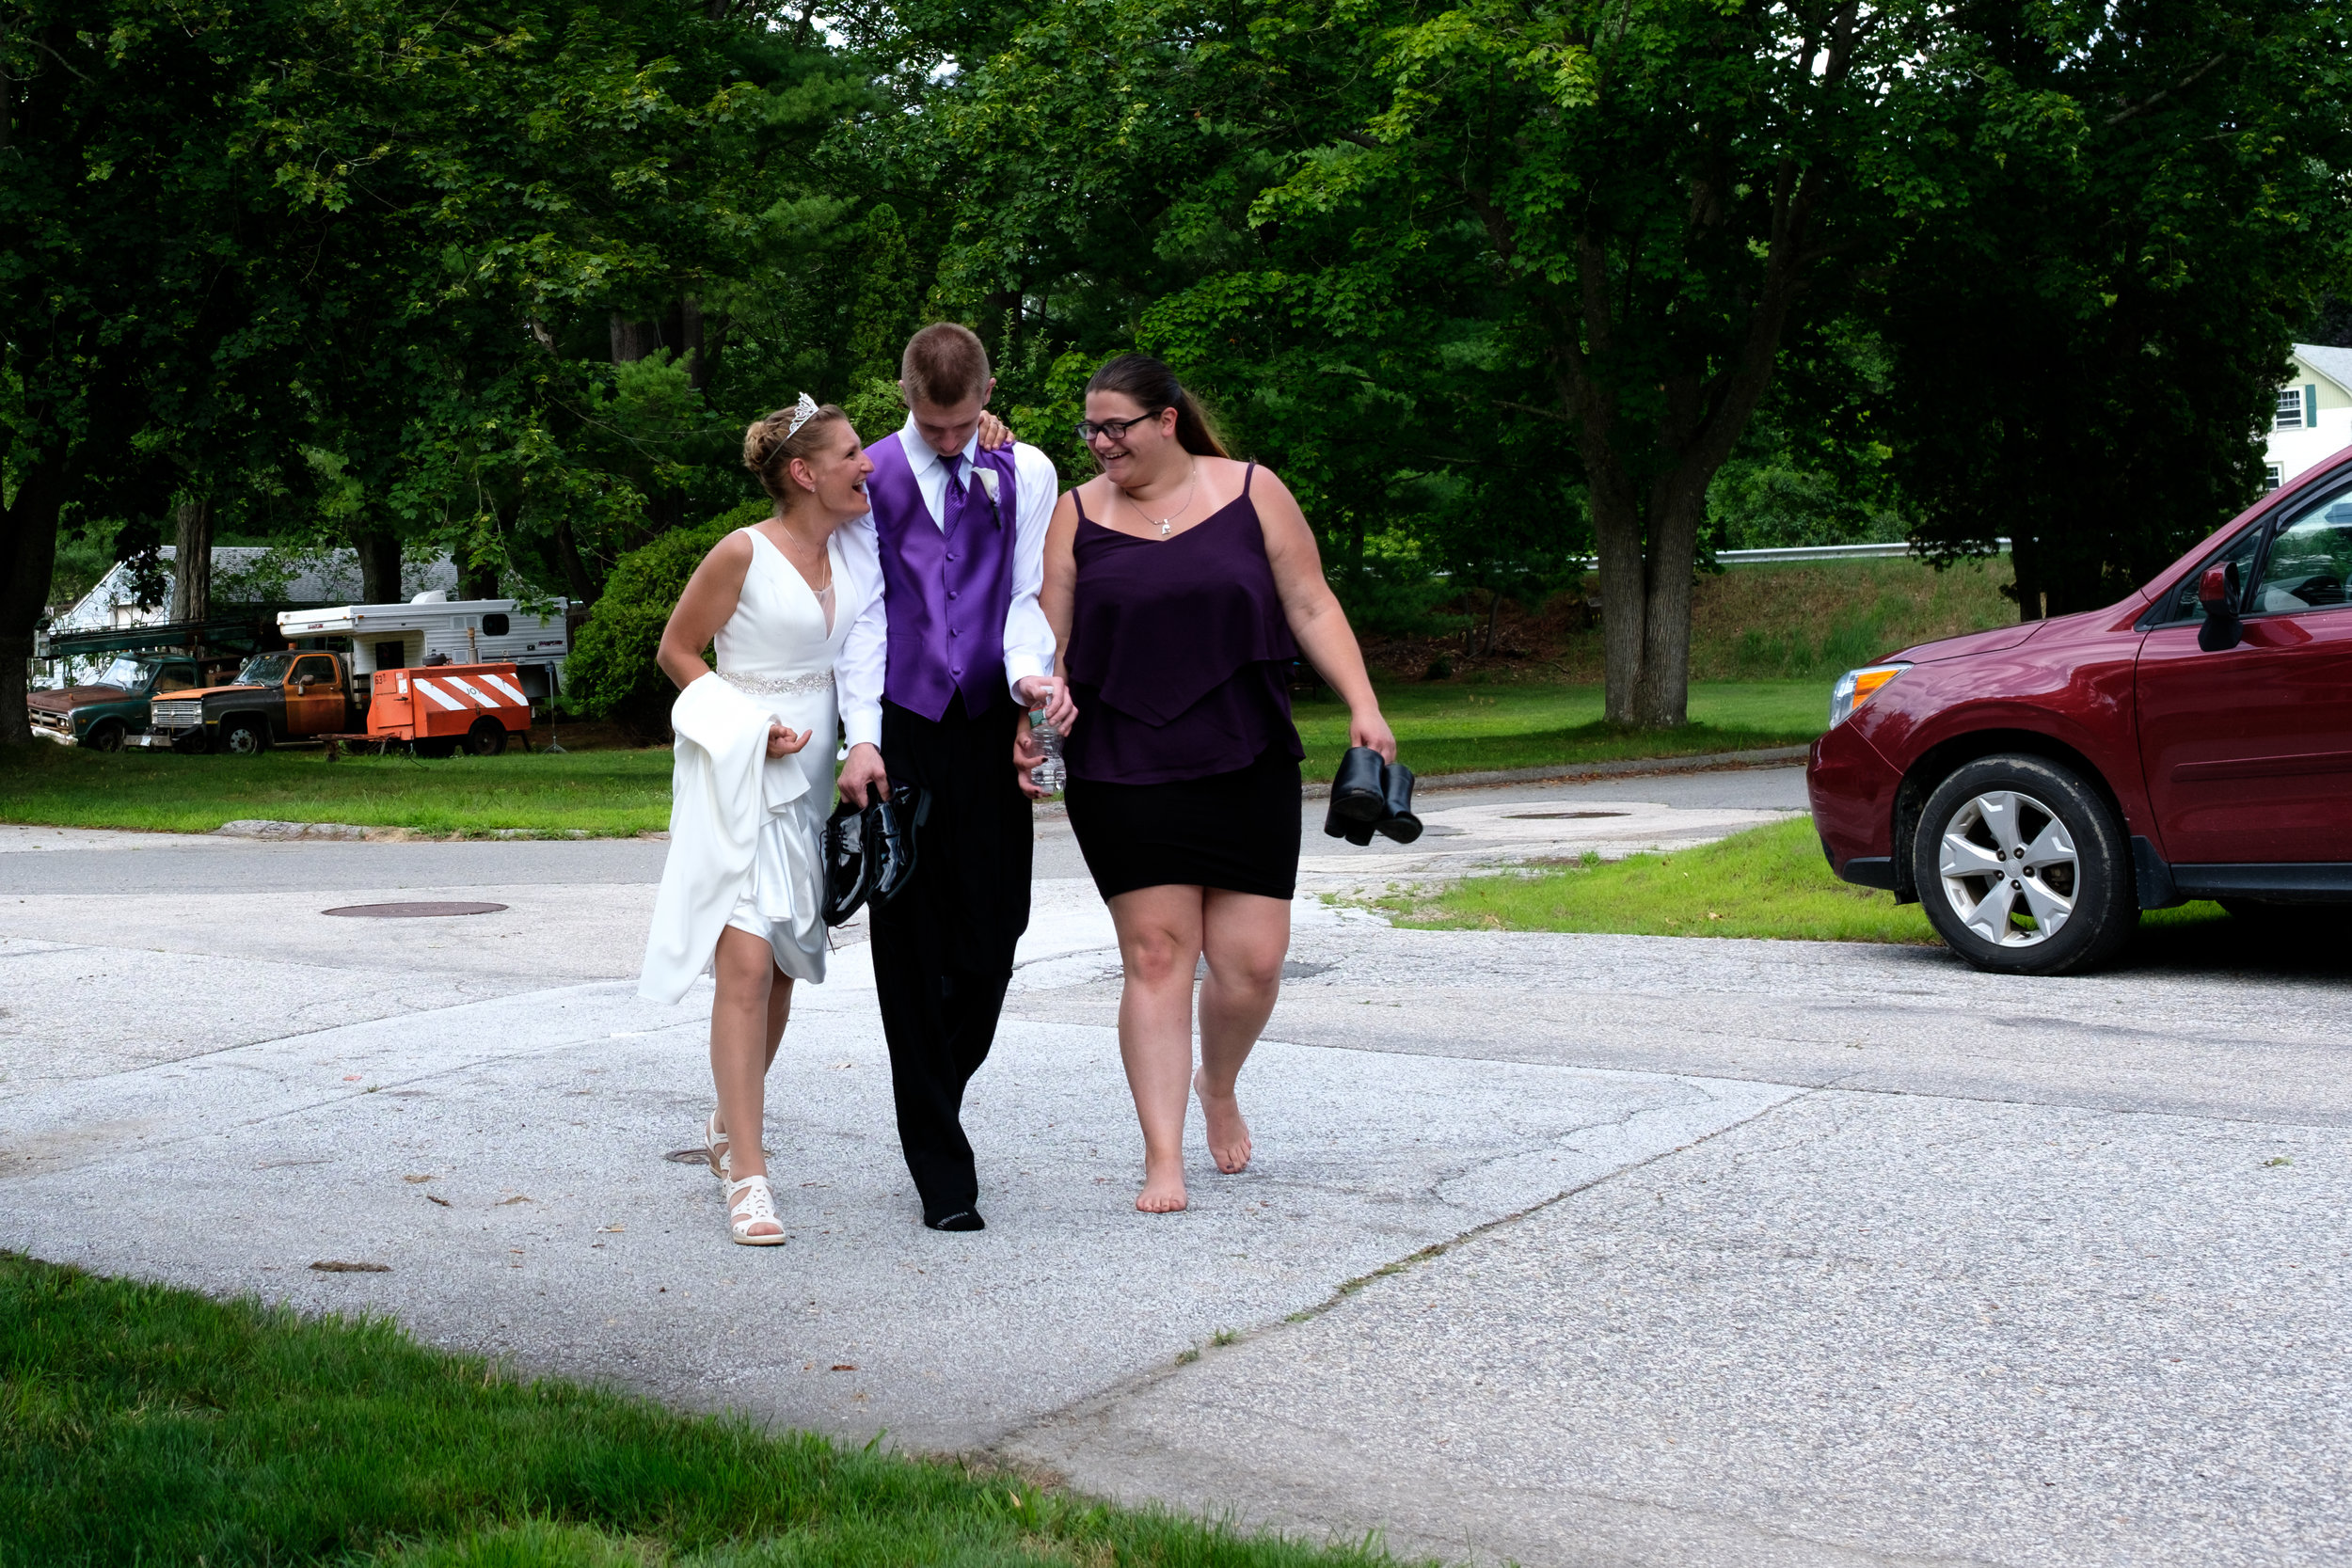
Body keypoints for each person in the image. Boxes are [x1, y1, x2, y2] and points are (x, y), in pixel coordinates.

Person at [1027, 353, 1394, 1213]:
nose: (1099, 442)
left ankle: (1217, 1080)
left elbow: (1310, 602)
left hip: (1246, 750)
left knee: (1253, 965)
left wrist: (1364, 705)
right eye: (1090, 427)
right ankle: (1164, 1158)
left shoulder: (1253, 490)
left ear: (1166, 419)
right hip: (1122, 762)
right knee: (1157, 955)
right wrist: (1038, 716)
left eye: (1115, 425)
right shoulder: (1075, 514)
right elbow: (1049, 639)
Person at [835, 324, 1071, 1232]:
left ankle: (933, 1081)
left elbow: (1019, 596)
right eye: (931, 426)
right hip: (899, 729)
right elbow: (863, 619)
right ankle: (942, 1170)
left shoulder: (1030, 470)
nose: (946, 441)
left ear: (989, 393)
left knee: (995, 931)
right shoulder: (871, 476)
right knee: (909, 946)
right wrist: (862, 740)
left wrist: (1028, 679)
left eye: (962, 424)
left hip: (984, 725)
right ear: (903, 394)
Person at [638, 396, 880, 1245]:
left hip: (812, 788)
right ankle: (750, 1172)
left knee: (780, 970)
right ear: (804, 473)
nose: (867, 463)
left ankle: (726, 1123)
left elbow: (862, 654)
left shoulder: (857, 547)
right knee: (742, 969)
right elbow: (677, 650)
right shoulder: (742, 551)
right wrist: (748, 730)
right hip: (739, 773)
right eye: (852, 452)